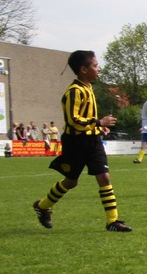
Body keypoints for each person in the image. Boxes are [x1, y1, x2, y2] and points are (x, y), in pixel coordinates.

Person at [31, 50, 132, 232]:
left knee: (104, 176)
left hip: (92, 140)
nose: (99, 69)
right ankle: (43, 206)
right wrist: (98, 122)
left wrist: (98, 128)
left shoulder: (89, 88)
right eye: (95, 65)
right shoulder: (74, 91)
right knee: (71, 181)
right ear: (84, 69)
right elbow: (73, 121)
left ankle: (112, 221)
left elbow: (86, 119)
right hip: (75, 142)